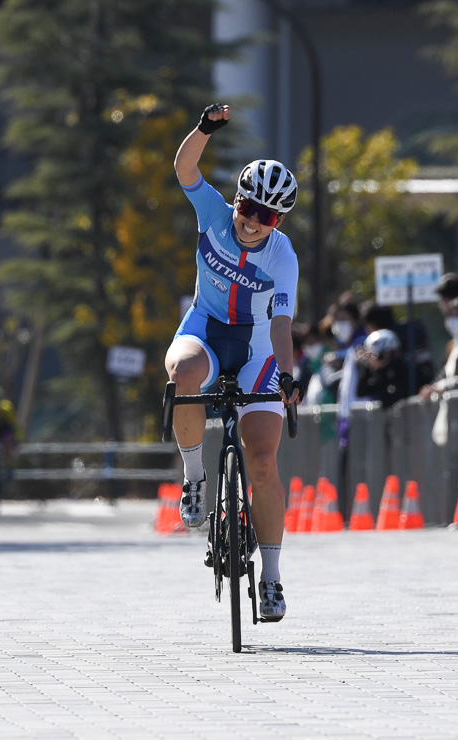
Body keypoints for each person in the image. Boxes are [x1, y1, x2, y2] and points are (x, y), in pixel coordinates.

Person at [165, 101, 299, 622]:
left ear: (279, 220)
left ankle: (270, 576)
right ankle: (195, 475)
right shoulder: (215, 215)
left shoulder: (281, 255)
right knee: (183, 376)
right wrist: (203, 129)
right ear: (237, 201)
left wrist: (287, 376)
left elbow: (283, 324)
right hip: (204, 328)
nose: (251, 223)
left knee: (263, 462)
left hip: (257, 346)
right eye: (247, 209)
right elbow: (184, 170)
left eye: (266, 217)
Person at [355, 329, 426, 408]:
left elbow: (391, 397)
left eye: (373, 355)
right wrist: (365, 370)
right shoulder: (378, 374)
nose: (370, 359)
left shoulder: (406, 371)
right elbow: (362, 392)